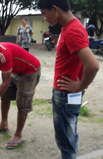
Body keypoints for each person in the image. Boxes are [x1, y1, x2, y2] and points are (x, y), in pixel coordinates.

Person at [37, 0, 99, 158]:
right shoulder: (71, 26)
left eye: (45, 13)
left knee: (66, 140)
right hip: (66, 93)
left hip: (66, 94)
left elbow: (93, 65)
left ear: (55, 9)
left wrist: (79, 86)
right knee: (69, 135)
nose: (45, 18)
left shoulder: (72, 30)